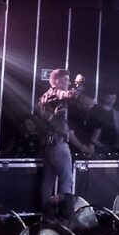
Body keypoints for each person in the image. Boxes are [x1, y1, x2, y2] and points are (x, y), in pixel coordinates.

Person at [36, 69, 79, 199]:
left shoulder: (44, 96)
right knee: (66, 180)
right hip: (58, 144)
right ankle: (64, 211)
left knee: (48, 181)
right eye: (66, 80)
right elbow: (68, 94)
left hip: (47, 145)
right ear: (57, 81)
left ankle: (46, 210)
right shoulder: (58, 92)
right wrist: (78, 86)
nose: (68, 83)